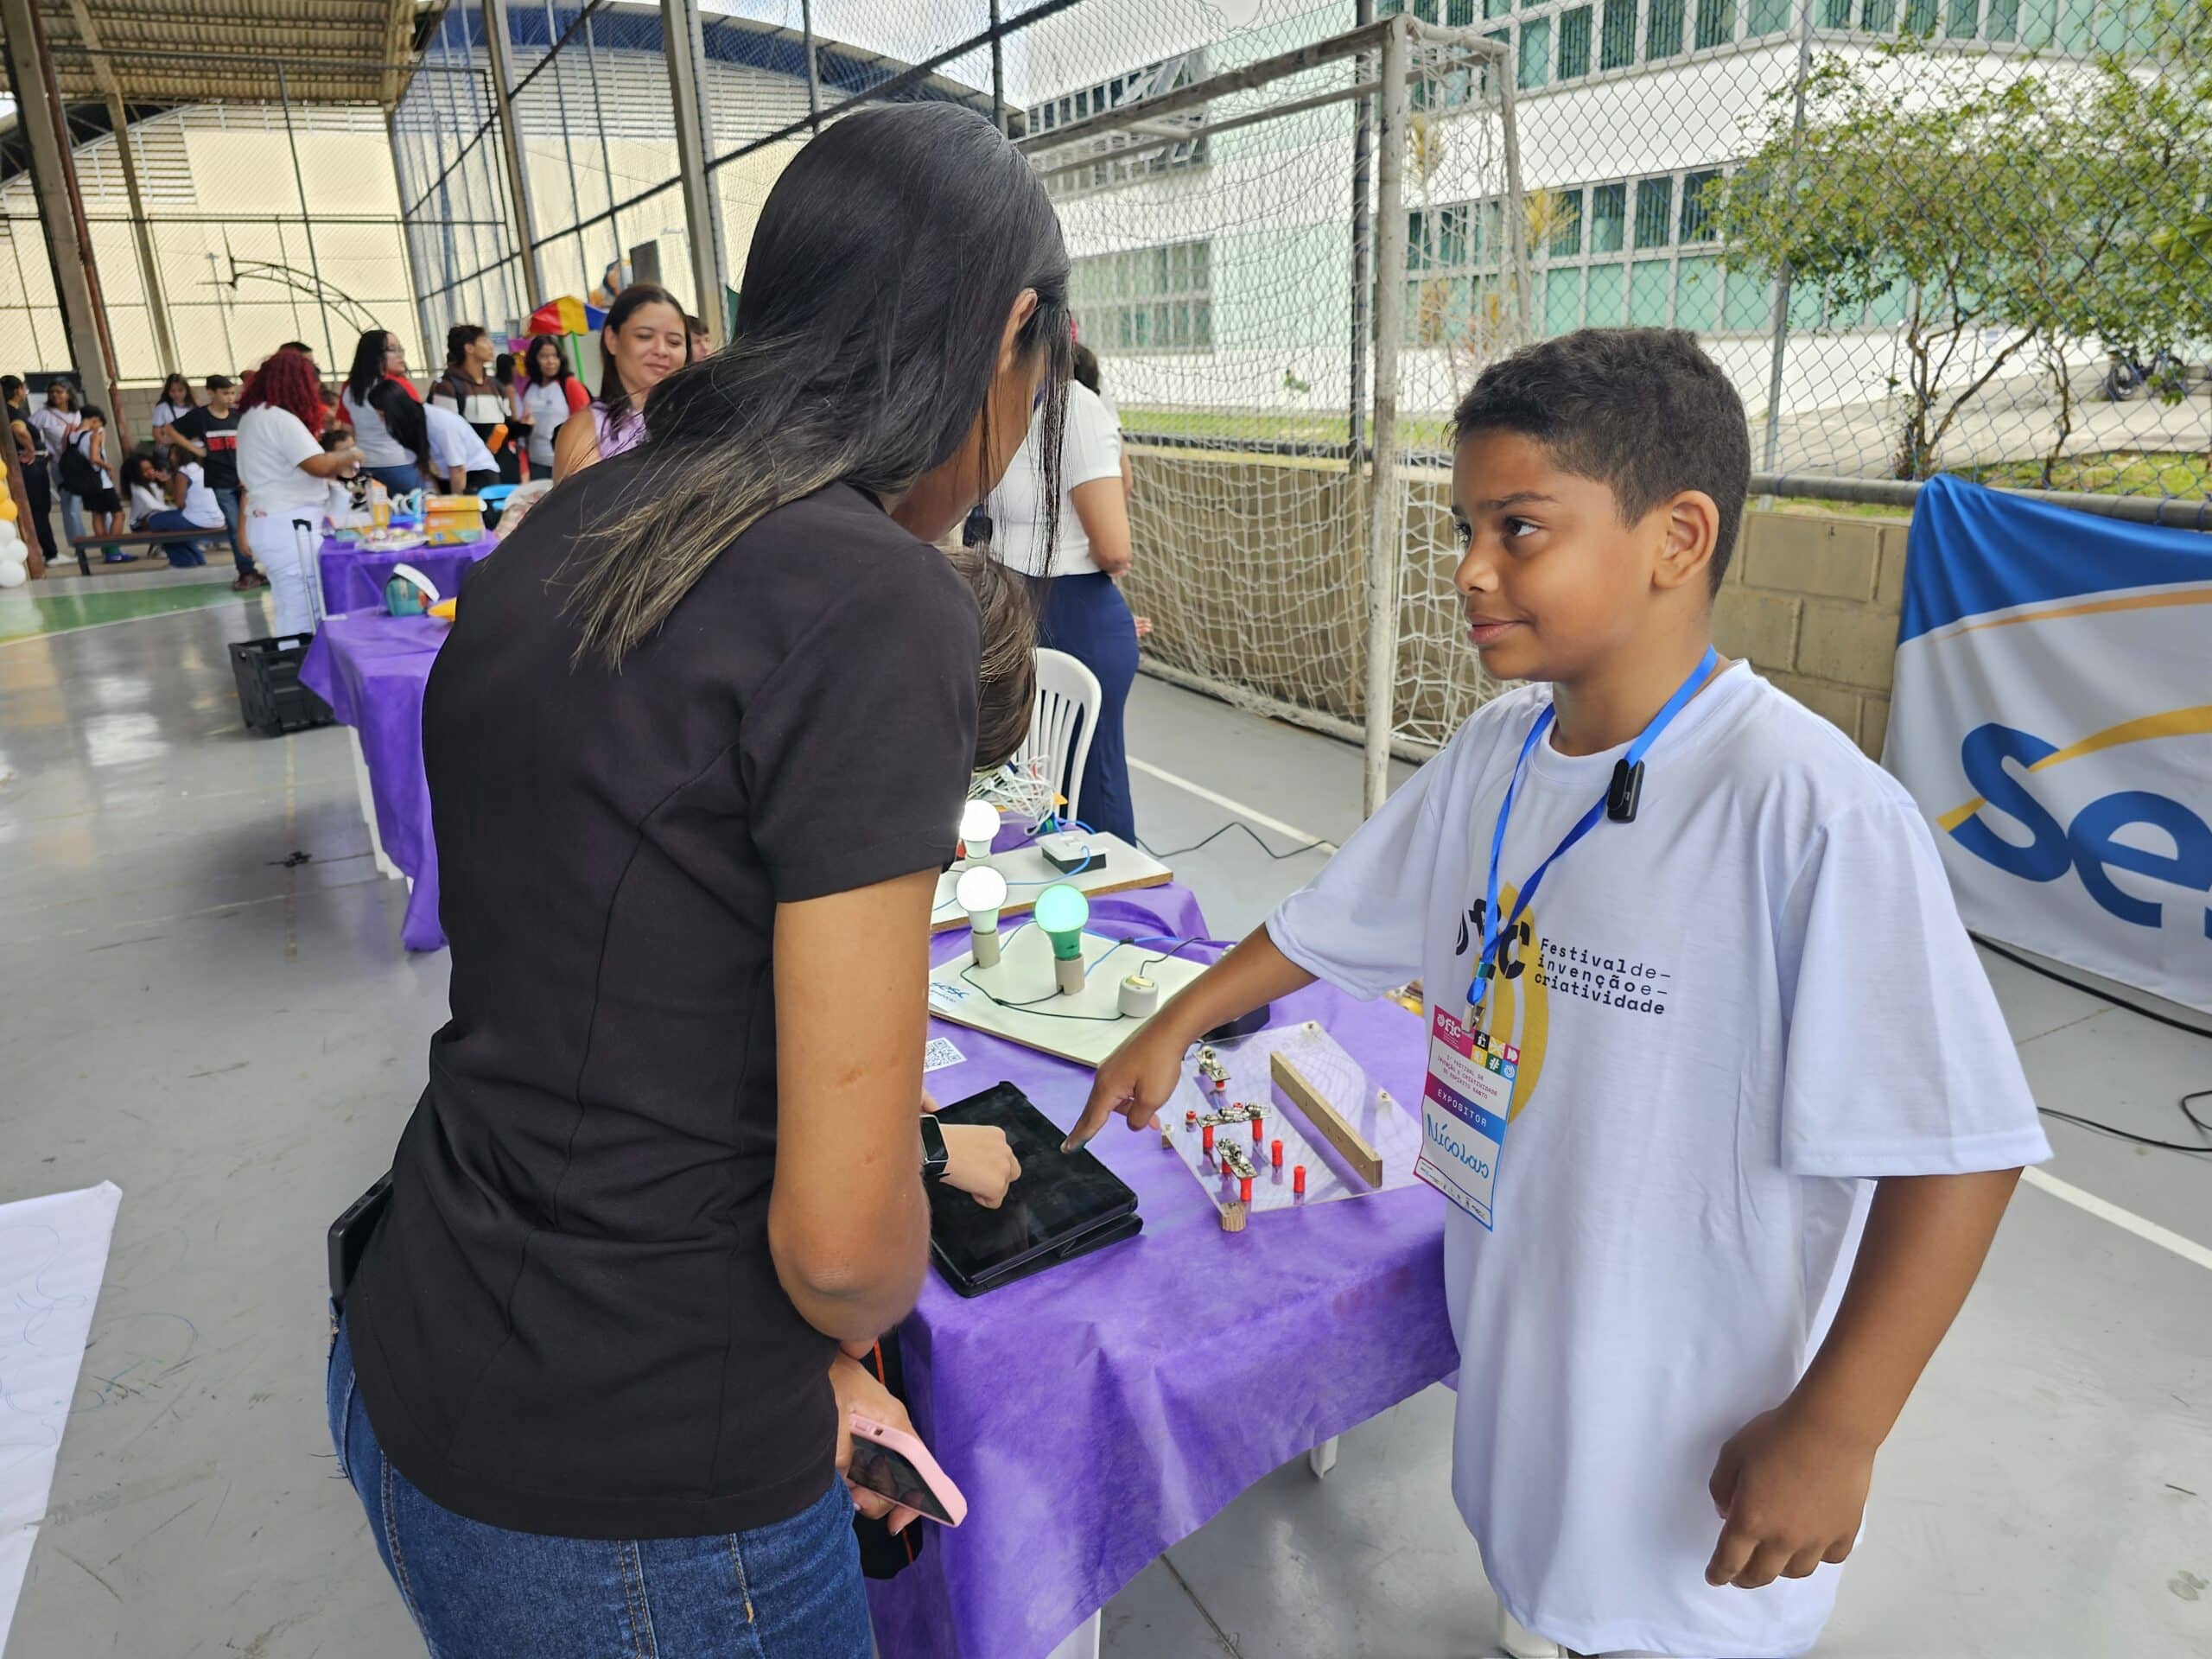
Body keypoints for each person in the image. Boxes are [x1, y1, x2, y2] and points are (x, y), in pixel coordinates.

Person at [1067, 327, 2053, 1659]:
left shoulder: (1809, 813)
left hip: (1698, 1446)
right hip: (1532, 1372)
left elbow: (1964, 1152)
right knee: (1547, 1584)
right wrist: (1176, 1022)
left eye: (1519, 528)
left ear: (1677, 537)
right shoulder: (1497, 750)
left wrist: (1838, 1427)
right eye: (1466, 528)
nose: (1471, 568)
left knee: (1655, 1621)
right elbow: (1330, 919)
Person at [326, 101, 1068, 1656]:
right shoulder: (877, 600)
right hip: (638, 1490)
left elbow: (635, 1010)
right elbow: (845, 1256)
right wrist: (870, 1271)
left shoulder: (579, 522)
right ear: (1011, 331)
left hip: (423, 1336)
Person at [982, 340, 1138, 841]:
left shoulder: (1058, 406)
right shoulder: (1039, 406)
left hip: (1055, 609)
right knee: (1039, 789)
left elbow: (1112, 547)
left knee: (1080, 790)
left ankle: (1112, 884)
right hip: (1038, 609)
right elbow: (1115, 548)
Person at [238, 349, 364, 634]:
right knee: (304, 609)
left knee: (291, 605)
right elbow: (318, 465)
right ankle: (300, 660)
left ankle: (294, 656)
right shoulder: (279, 419)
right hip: (289, 527)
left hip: (272, 523)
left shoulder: (254, 416)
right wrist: (352, 454)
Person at [551, 281, 689, 480]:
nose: (661, 350)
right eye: (644, 336)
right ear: (612, 340)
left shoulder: (697, 419)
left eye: (674, 342)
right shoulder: (586, 431)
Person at [172, 375, 262, 590]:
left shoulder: (238, 416)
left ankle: (255, 567)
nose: (230, 398)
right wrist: (197, 450)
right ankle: (246, 571)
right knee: (234, 524)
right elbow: (170, 430)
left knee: (251, 523)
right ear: (210, 392)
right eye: (225, 393)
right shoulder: (200, 416)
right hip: (221, 479)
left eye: (232, 393)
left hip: (243, 477)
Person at [340, 328, 429, 493]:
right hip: (401, 464)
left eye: (400, 349)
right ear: (375, 355)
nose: (400, 355)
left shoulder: (349, 387)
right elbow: (419, 426)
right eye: (392, 349)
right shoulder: (397, 386)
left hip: (366, 466)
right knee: (415, 508)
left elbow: (347, 430)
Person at [427, 324, 507, 469]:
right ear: (469, 348)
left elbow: (506, 423)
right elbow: (446, 433)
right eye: (484, 341)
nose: (491, 346)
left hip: (500, 464)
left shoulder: (496, 385)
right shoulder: (447, 387)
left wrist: (524, 426)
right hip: (470, 468)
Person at [515, 335, 588, 480]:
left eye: (554, 356)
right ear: (534, 359)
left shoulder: (570, 385)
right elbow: (523, 434)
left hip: (565, 465)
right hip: (536, 464)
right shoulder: (529, 388)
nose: (550, 361)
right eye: (544, 356)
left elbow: (586, 426)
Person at [5, 378, 60, 571]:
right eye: (23, 388)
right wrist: (30, 450)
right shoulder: (13, 411)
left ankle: (45, 550)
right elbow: (19, 430)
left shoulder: (8, 411)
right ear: (17, 390)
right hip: (31, 467)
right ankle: (50, 552)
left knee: (37, 509)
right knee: (39, 509)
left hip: (30, 466)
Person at [60, 405, 124, 558]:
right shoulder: (93, 435)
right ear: (95, 419)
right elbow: (94, 458)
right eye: (100, 423)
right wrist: (109, 467)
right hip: (101, 481)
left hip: (85, 482)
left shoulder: (71, 436)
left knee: (97, 515)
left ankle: (105, 550)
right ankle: (114, 551)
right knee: (119, 514)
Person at [123, 453, 207, 566]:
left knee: (175, 527)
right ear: (135, 473)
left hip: (156, 518)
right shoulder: (136, 488)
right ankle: (183, 560)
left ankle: (194, 559)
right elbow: (154, 506)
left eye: (151, 468)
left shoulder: (154, 484)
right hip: (139, 524)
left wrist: (167, 480)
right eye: (145, 471)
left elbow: (173, 499)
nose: (151, 472)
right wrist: (177, 513)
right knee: (170, 525)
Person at [29, 378, 84, 552]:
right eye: (51, 392)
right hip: (61, 466)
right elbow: (26, 430)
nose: (54, 395)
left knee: (100, 503)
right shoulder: (44, 414)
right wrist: (39, 449)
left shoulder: (78, 414)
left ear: (68, 394)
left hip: (82, 466)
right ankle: (79, 545)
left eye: (59, 392)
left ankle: (104, 542)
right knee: (71, 506)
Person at [422, 401, 499, 496]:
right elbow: (423, 468)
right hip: (447, 476)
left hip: (475, 473)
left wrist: (456, 503)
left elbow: (458, 468)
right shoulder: (415, 424)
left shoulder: (442, 423)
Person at [150, 372, 196, 447]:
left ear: (186, 390)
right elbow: (156, 434)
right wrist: (170, 442)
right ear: (167, 391)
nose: (176, 394)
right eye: (173, 391)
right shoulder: (162, 408)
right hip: (171, 447)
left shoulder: (193, 407)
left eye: (180, 390)